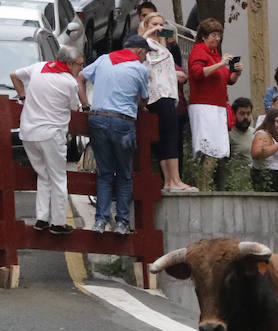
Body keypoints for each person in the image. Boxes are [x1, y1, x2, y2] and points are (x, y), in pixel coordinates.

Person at [78, 34, 151, 233]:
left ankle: (100, 221)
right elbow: (144, 99)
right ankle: (122, 222)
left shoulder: (103, 59)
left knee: (104, 173)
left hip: (97, 119)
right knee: (125, 174)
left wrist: (85, 106)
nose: (145, 59)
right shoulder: (139, 69)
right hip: (123, 122)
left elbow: (81, 77)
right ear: (138, 51)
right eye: (145, 55)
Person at [11, 44, 87, 234]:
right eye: (79, 64)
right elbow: (73, 106)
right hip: (50, 134)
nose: (81, 69)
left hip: (28, 131)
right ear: (69, 63)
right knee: (58, 178)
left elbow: (14, 75)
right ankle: (58, 223)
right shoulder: (69, 83)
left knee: (43, 175)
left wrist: (23, 97)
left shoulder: (39, 67)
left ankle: (42, 218)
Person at [139, 10, 193, 191]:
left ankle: (172, 180)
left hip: (169, 94)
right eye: (154, 24)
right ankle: (173, 180)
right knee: (168, 137)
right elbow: (137, 57)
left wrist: (170, 40)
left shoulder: (161, 47)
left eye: (161, 24)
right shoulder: (145, 45)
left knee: (169, 136)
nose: (158, 28)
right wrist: (147, 34)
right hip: (158, 95)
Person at [186, 17, 241, 190]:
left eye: (219, 35)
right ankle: (203, 186)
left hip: (217, 107)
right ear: (203, 36)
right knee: (207, 149)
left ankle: (209, 185)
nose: (217, 38)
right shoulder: (199, 51)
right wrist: (220, 64)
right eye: (213, 35)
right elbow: (197, 73)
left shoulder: (215, 55)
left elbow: (228, 80)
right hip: (204, 107)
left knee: (217, 150)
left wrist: (236, 72)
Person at [224, 96, 254, 186]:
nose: (245, 117)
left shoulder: (255, 132)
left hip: (255, 180)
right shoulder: (228, 134)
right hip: (236, 183)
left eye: (248, 114)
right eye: (242, 113)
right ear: (234, 114)